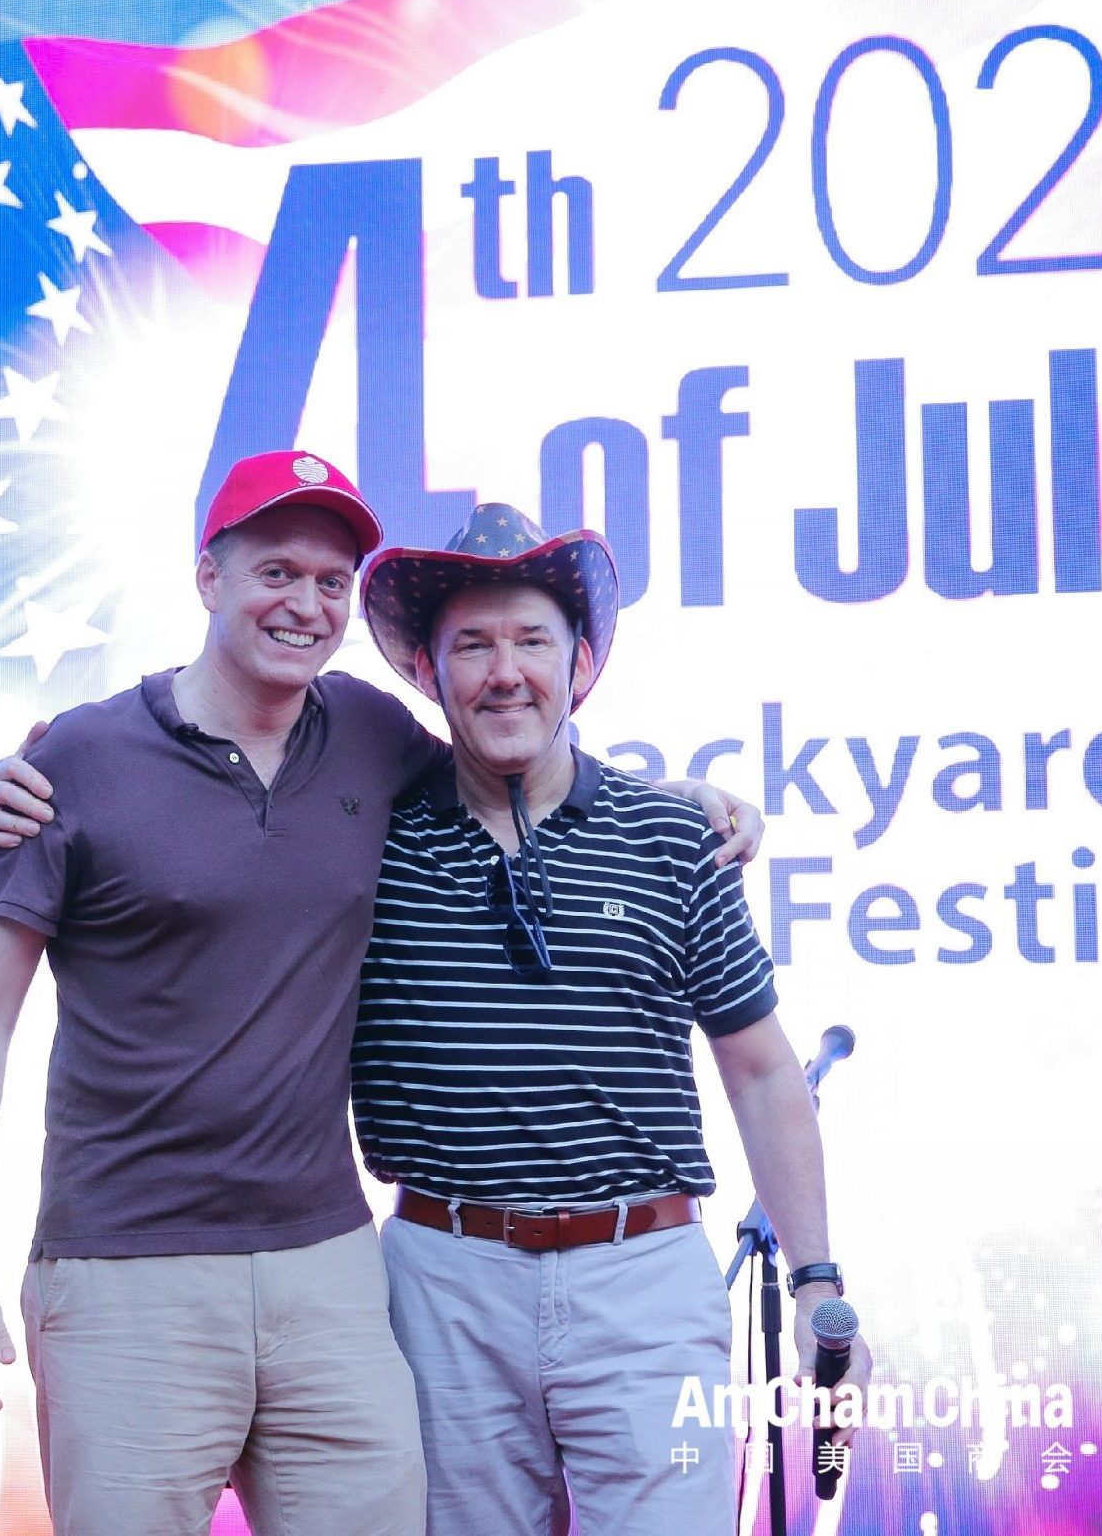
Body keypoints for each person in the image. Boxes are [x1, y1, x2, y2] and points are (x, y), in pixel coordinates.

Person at [0, 450, 762, 1536]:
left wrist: (683, 798)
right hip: (127, 1266)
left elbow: (513, 748)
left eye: (331, 581)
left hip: (327, 1267)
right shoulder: (78, 759)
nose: (306, 603)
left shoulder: (368, 735)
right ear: (208, 576)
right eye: (276, 571)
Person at [349, 502, 870, 1534]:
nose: (505, 671)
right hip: (440, 1283)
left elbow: (763, 1070)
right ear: (426, 670)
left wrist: (816, 1279)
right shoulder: (366, 843)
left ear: (579, 663)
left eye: (532, 641)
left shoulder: (674, 833)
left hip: (645, 1284)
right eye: (472, 644)